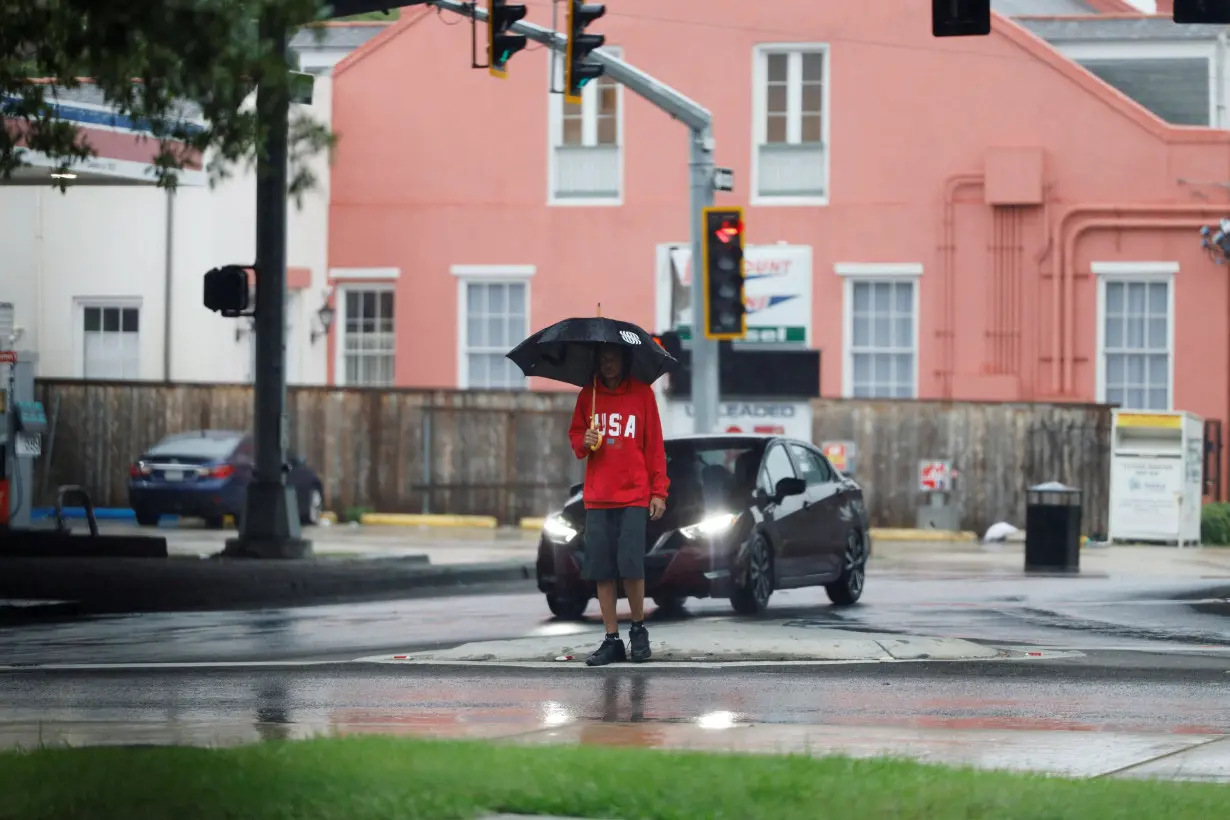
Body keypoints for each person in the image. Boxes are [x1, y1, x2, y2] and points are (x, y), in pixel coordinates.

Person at [568, 342, 669, 666]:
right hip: (598, 496)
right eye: (603, 359)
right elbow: (577, 440)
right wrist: (585, 441)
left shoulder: (642, 394)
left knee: (631, 566)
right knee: (602, 569)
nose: (608, 364)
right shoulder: (588, 395)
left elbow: (654, 446)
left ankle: (638, 630)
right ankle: (611, 639)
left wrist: (659, 492)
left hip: (634, 495)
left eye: (613, 359)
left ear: (625, 361)